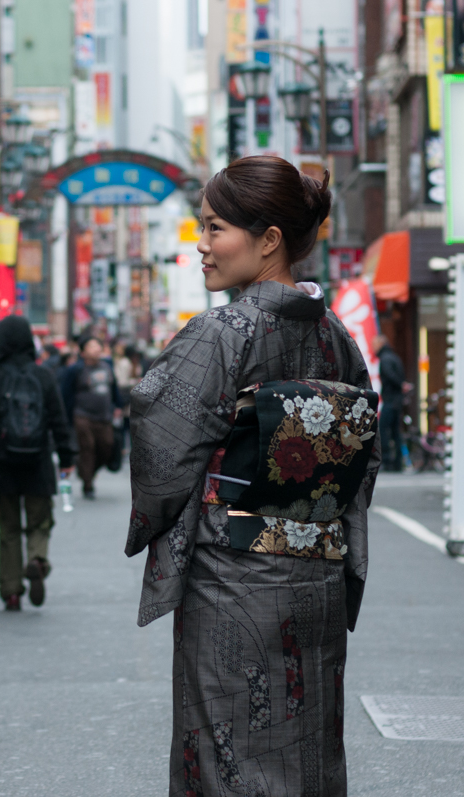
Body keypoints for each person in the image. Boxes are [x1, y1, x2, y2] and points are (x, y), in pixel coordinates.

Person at [128, 155, 379, 796]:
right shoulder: (337, 339)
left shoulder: (221, 332)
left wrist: (171, 519)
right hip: (315, 574)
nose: (202, 244)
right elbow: (362, 455)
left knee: (226, 746)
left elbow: (161, 431)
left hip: (232, 576)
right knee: (309, 751)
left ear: (269, 241)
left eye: (215, 229)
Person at [0, 317, 77, 611]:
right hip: (38, 460)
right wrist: (66, 458)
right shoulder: (43, 376)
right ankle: (37, 560)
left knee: (8, 528)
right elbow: (58, 419)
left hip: (3, 461)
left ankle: (11, 590)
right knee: (40, 521)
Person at [60, 337, 121, 499]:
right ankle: (88, 484)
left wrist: (118, 406)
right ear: (83, 352)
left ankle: (87, 471)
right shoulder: (75, 370)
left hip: (104, 416)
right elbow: (66, 393)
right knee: (87, 448)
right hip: (82, 415)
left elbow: (113, 389)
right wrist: (66, 417)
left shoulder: (107, 367)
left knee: (106, 446)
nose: (95, 349)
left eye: (98, 346)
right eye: (91, 346)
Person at [375, 334, 405, 473]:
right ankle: (398, 462)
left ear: (380, 344)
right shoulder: (394, 356)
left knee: (382, 430)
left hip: (390, 400)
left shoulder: (385, 359)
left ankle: (386, 461)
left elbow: (389, 375)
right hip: (397, 400)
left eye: (374, 344)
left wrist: (400, 385)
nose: (372, 347)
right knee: (395, 432)